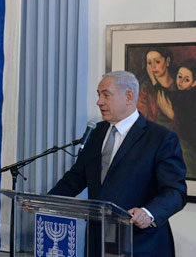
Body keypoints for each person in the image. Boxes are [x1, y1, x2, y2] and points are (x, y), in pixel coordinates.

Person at [49, 71, 186, 256]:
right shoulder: (96, 132)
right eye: (99, 95)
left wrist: (148, 212)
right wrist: (48, 201)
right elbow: (77, 177)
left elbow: (175, 191)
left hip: (141, 243)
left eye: (106, 95)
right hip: (98, 241)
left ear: (129, 96)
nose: (99, 102)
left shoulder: (160, 138)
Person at [137, 49, 176, 131]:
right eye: (149, 63)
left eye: (157, 62)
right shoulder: (145, 88)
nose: (153, 67)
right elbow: (141, 119)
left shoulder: (179, 84)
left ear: (167, 61)